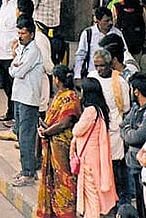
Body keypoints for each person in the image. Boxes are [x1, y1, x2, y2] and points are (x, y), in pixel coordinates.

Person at [36, 65, 80, 218]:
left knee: (64, 177)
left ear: (56, 79)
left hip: (62, 145)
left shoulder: (71, 97)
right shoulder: (61, 95)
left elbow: (65, 122)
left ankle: (66, 212)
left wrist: (46, 131)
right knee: (54, 178)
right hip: (53, 143)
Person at [73, 77, 118, 218]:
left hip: (88, 159)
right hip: (96, 157)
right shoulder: (100, 109)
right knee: (95, 192)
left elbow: (77, 131)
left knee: (91, 195)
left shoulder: (90, 111)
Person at [92, 48, 132, 204]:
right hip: (97, 129)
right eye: (96, 66)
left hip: (115, 130)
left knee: (116, 167)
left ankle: (122, 201)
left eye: (102, 66)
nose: (99, 69)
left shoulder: (120, 82)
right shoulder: (92, 78)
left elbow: (126, 107)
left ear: (110, 65)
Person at [10, 17, 44, 185]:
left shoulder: (33, 52)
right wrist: (15, 66)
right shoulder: (22, 50)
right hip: (18, 96)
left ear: (31, 34)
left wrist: (16, 67)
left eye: (23, 33)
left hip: (28, 99)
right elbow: (12, 69)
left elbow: (19, 71)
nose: (20, 36)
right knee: (18, 132)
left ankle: (28, 172)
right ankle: (26, 167)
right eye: (19, 32)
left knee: (26, 136)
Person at [121, 73, 146, 218]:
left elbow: (136, 137)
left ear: (136, 91)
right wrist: (128, 129)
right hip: (134, 163)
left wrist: (128, 131)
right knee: (140, 202)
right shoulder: (136, 108)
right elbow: (123, 123)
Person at [0, 0, 21, 124]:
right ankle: (10, 112)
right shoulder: (4, 4)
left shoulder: (18, 6)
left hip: (10, 54)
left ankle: (14, 116)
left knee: (12, 87)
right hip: (0, 52)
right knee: (4, 84)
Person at [74, 7, 125, 79]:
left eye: (111, 20)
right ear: (98, 21)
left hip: (113, 76)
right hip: (93, 76)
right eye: (106, 21)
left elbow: (125, 52)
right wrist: (77, 76)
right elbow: (80, 56)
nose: (110, 23)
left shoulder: (117, 33)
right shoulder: (88, 34)